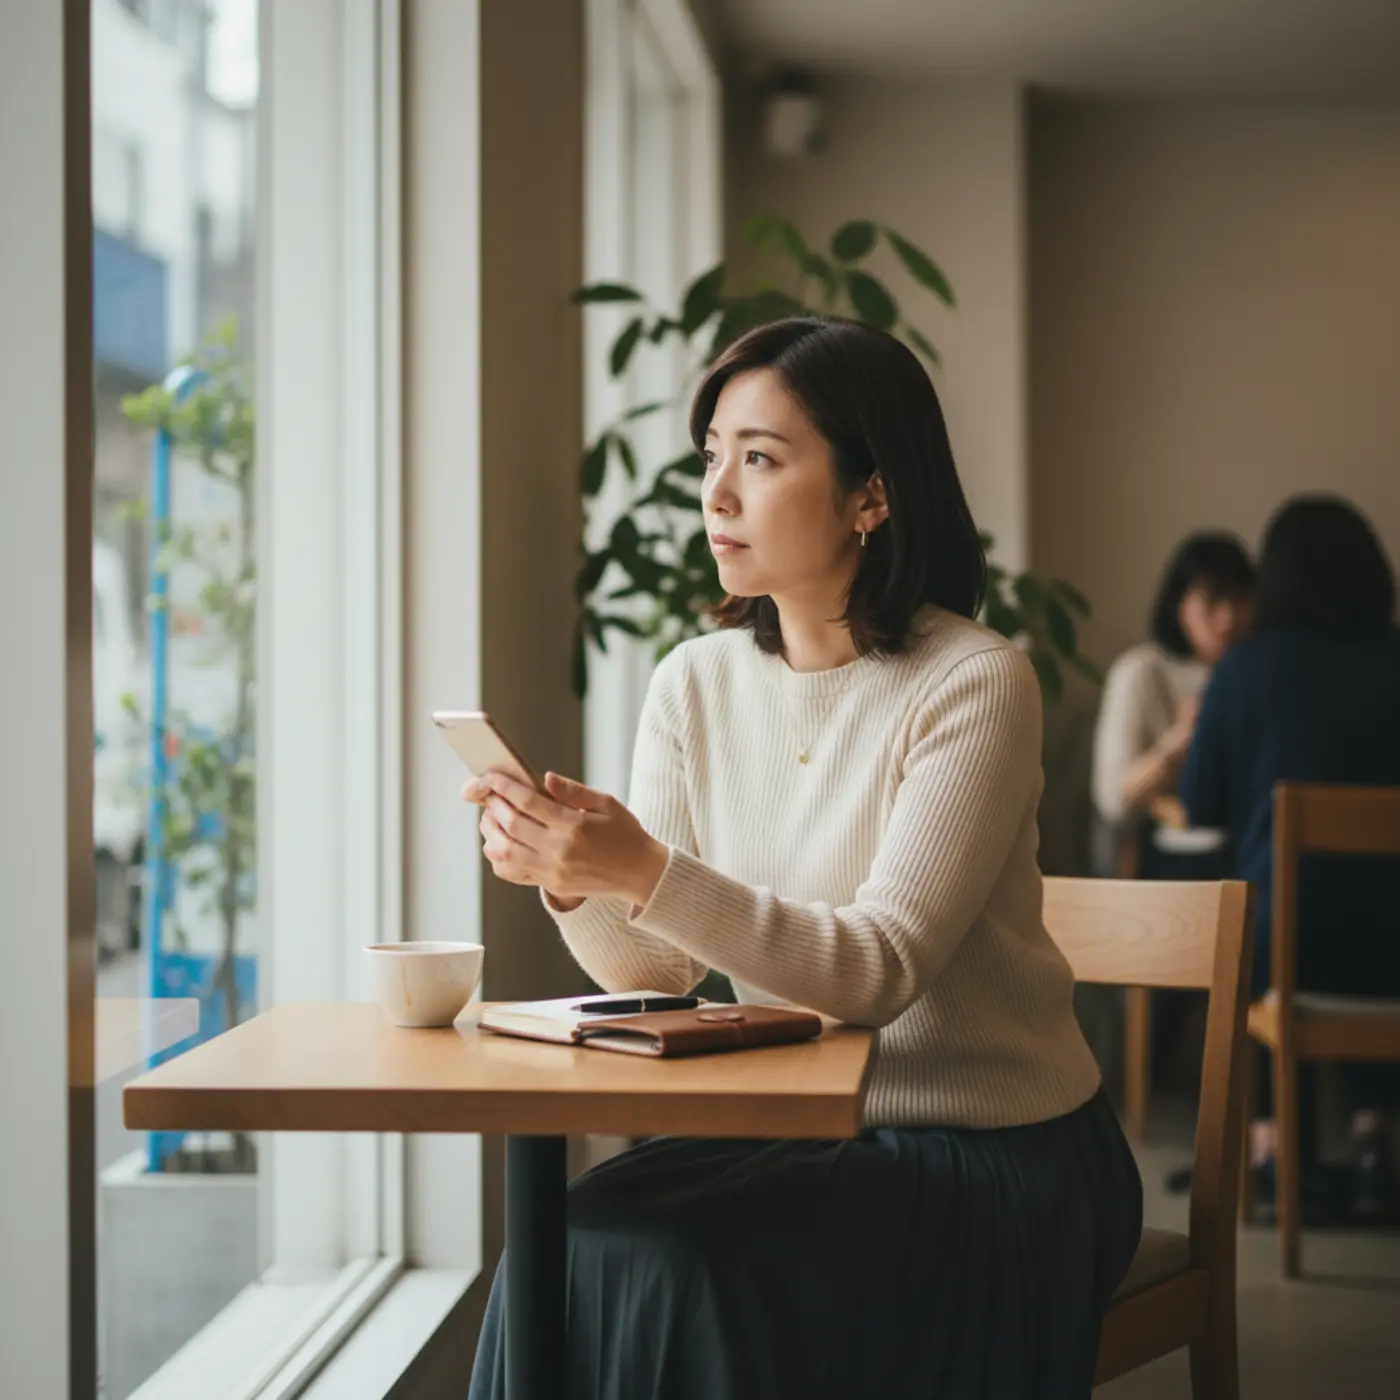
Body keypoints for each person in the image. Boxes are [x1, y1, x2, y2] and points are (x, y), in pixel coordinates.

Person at [462, 317, 1142, 1399]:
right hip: (799, 1132)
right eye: (710, 455)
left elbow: (877, 972)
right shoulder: (692, 680)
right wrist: (569, 871)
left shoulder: (971, 682)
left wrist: (640, 867)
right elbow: (655, 975)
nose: (716, 494)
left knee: (695, 1268)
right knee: (568, 1238)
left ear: (871, 495)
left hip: (986, 1147)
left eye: (761, 458)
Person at [1180, 495, 1400, 1218]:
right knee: (1368, 915)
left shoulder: (1243, 669)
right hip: (1390, 943)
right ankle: (1377, 1143)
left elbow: (1201, 804)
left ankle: (1275, 1147)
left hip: (1284, 943)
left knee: (1270, 919)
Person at [1090, 533, 1254, 879]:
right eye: (1212, 602)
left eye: (1238, 600)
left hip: (1241, 853)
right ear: (1178, 603)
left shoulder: (1253, 672)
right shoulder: (1141, 672)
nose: (1227, 618)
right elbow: (1112, 800)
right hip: (1164, 860)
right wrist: (1179, 739)